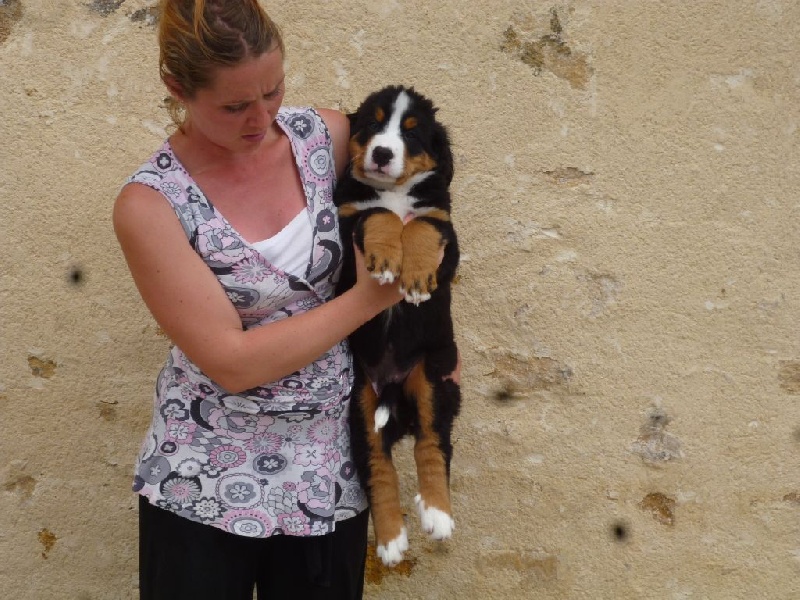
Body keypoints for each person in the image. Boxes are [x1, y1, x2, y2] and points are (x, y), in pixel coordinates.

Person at [112, 1, 406, 598]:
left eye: (273, 91)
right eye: (235, 106)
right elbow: (232, 362)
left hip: (326, 467)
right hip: (203, 473)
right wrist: (369, 300)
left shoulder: (327, 139)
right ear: (177, 88)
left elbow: (421, 194)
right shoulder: (152, 204)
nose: (262, 117)